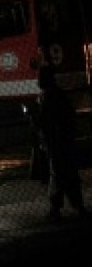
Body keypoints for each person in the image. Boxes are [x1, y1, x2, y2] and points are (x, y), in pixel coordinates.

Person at [31, 65, 87, 220]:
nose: (38, 80)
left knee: (57, 173)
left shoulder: (47, 97)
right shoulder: (57, 94)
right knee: (68, 173)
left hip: (56, 142)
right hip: (62, 141)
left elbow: (46, 121)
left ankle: (56, 208)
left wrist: (35, 121)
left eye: (40, 77)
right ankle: (77, 206)